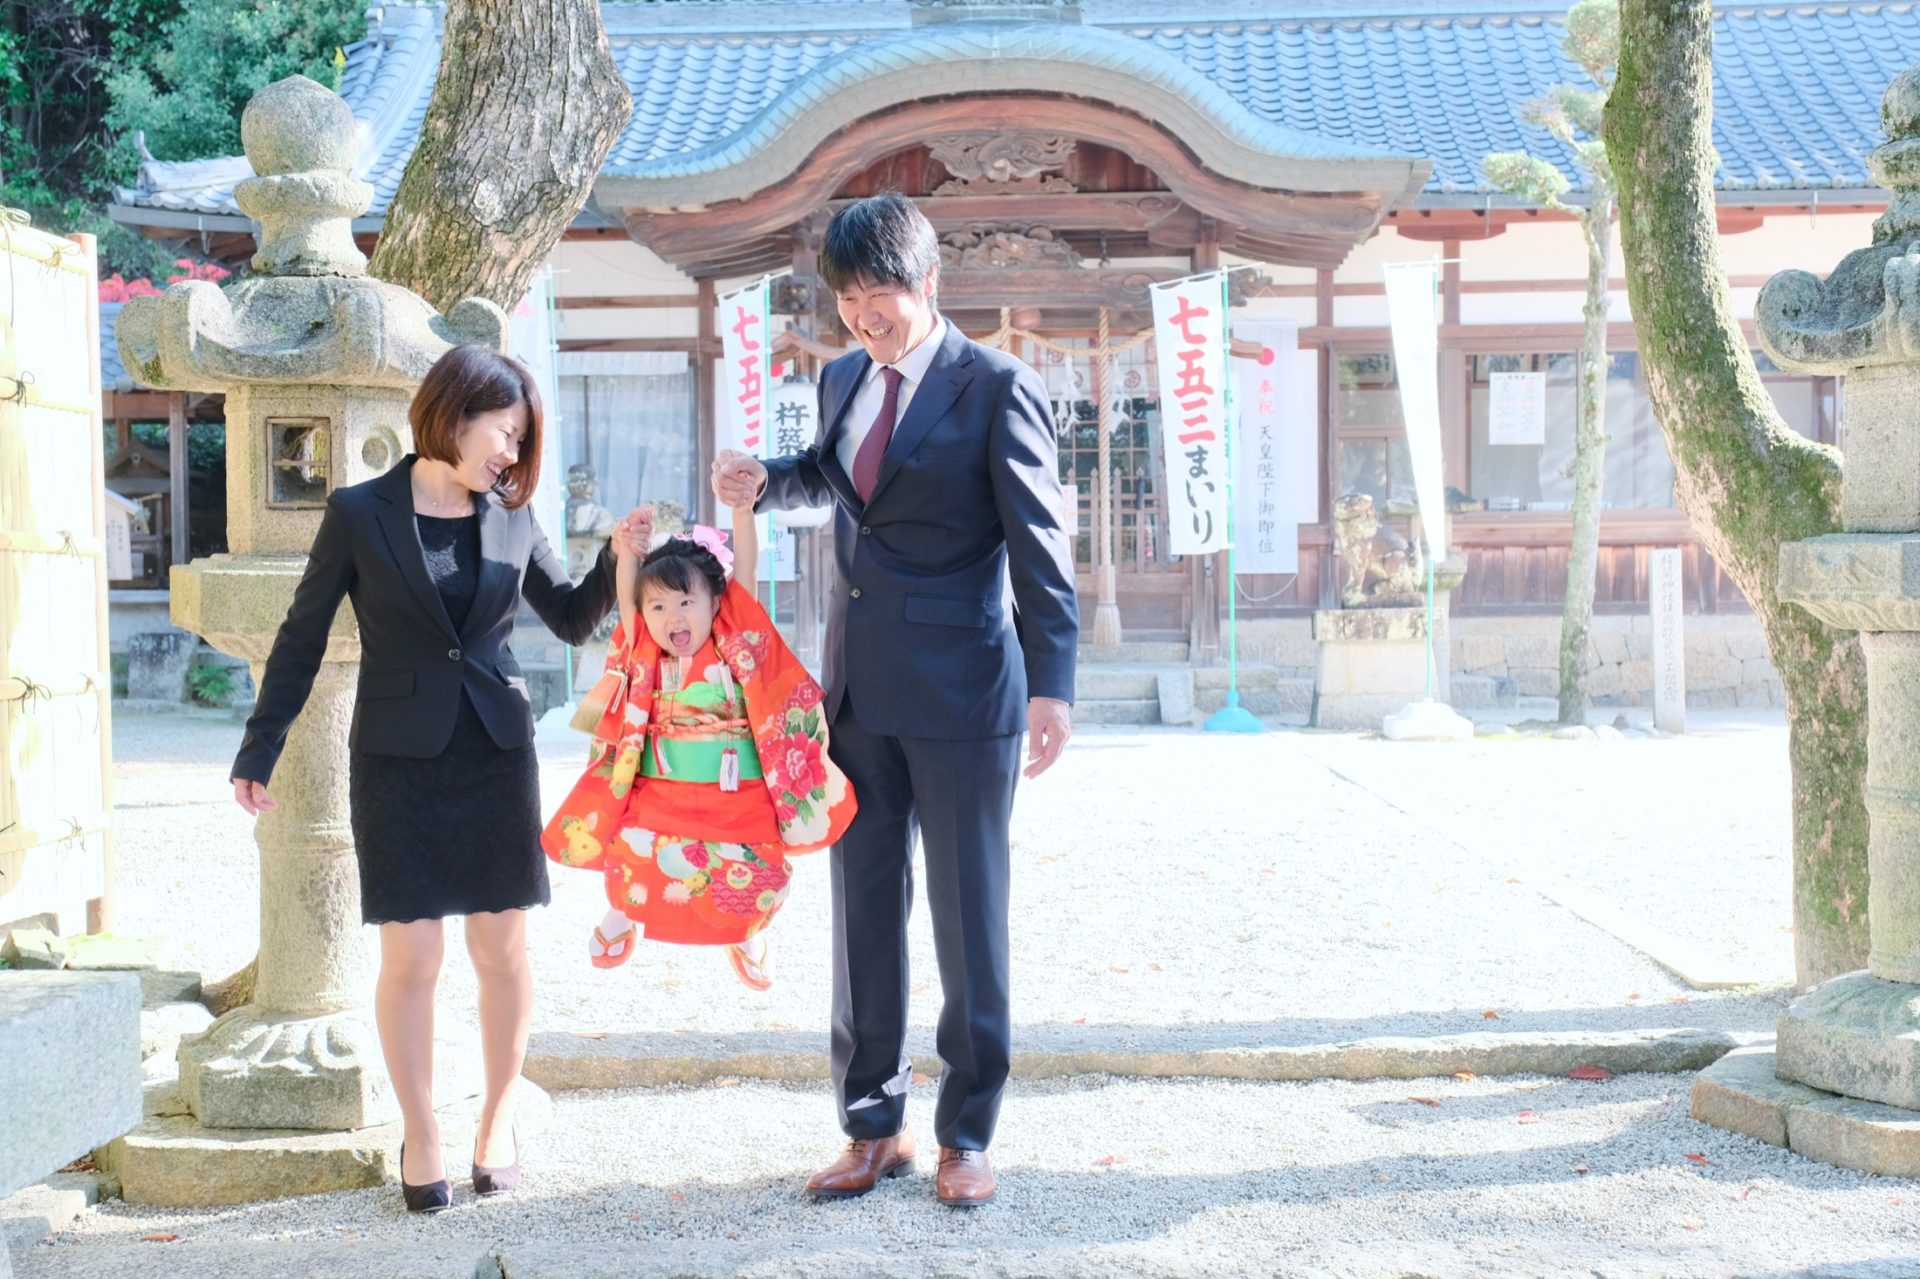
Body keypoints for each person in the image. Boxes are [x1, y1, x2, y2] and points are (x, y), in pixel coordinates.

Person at [712, 191, 1080, 1207]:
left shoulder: (998, 386)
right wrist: (761, 481)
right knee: (862, 914)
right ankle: (873, 1125)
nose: (864, 315)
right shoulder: (840, 376)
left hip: (968, 693)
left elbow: (1041, 547)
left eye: (880, 293)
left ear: (929, 283)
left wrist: (1055, 682)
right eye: (847, 298)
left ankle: (968, 1132)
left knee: (970, 921)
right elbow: (833, 479)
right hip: (856, 695)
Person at [229, 344, 639, 1212]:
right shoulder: (358, 512)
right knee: (412, 953)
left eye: (522, 440)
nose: (512, 453)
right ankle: (422, 1128)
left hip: (494, 752)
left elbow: (568, 620)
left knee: (503, 947)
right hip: (396, 757)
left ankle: (496, 1122)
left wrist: (615, 559)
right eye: (506, 431)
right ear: (456, 412)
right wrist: (259, 749)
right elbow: (302, 637)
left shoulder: (511, 518)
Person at [540, 483, 857, 989]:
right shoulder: (644, 644)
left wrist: (740, 511)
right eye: (659, 608)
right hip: (661, 787)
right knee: (633, 859)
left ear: (716, 603)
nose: (673, 618)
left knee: (753, 875)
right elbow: (626, 595)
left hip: (738, 792)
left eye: (687, 601)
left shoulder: (738, 641)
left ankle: (745, 934)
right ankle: (624, 916)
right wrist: (627, 550)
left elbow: (746, 570)